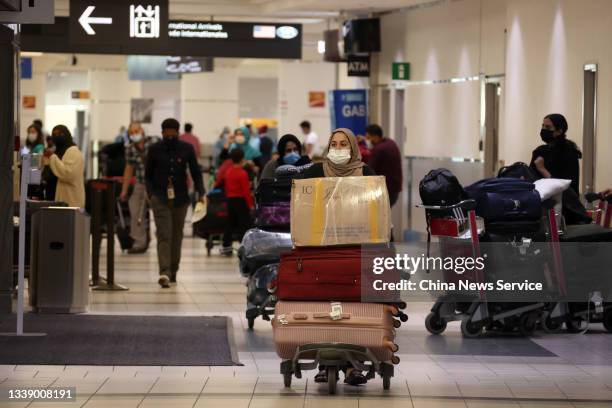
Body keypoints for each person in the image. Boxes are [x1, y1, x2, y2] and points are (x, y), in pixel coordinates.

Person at [301, 127, 375, 386]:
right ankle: (325, 362)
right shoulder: (314, 173)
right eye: (335, 143)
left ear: (353, 147)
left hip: (356, 251)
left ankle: (354, 366)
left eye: (344, 143)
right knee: (326, 308)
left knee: (354, 311)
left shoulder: (366, 174)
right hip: (322, 252)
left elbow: (378, 211)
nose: (339, 148)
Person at [145, 118, 205, 288]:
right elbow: (148, 174)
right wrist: (150, 192)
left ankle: (173, 271)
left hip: (181, 199)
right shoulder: (154, 149)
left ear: (178, 132)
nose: (170, 134)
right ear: (162, 132)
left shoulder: (187, 149)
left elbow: (195, 172)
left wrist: (201, 191)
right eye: (167, 131)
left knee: (176, 236)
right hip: (160, 198)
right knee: (164, 234)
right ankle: (164, 272)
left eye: (173, 131)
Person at [530, 114, 582, 193]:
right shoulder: (540, 151)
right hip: (539, 199)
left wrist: (542, 169)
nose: (543, 129)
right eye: (543, 126)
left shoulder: (569, 152)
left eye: (548, 127)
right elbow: (531, 179)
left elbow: (568, 188)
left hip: (562, 202)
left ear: (559, 131)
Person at [120, 122, 151, 254]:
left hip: (156, 184)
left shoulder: (154, 143)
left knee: (161, 213)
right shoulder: (130, 148)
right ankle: (140, 243)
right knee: (136, 211)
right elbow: (128, 169)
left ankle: (164, 241)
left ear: (142, 130)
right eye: (131, 133)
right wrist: (124, 190)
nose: (134, 134)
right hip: (140, 183)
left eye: (136, 131)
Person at [218, 148, 254, 256]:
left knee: (230, 223)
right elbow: (246, 191)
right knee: (244, 224)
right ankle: (244, 246)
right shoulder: (243, 173)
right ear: (242, 158)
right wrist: (250, 205)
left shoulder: (228, 172)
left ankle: (226, 246)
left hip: (230, 200)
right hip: (241, 201)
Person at [302, 128, 375, 178]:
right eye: (333, 144)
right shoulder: (316, 170)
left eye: (343, 144)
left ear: (353, 148)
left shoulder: (366, 172)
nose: (337, 148)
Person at [43, 125, 85, 208]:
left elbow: (68, 174)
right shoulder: (58, 152)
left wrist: (52, 157)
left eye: (60, 134)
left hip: (70, 201)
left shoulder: (73, 152)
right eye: (54, 134)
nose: (57, 137)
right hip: (55, 199)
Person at [365, 124, 403, 207]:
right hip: (394, 189)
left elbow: (370, 171)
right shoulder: (391, 143)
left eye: (368, 137)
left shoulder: (378, 150)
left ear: (375, 136)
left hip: (385, 191)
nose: (367, 140)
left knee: (381, 217)